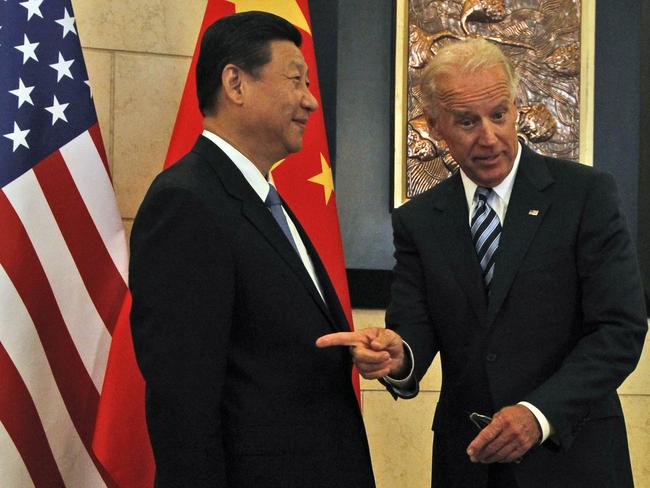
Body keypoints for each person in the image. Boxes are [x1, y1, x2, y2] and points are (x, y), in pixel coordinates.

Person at [317, 38, 647, 488]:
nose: (489, 137)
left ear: (515, 107)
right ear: (436, 127)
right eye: (467, 122)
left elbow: (620, 328)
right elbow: (413, 332)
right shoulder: (419, 220)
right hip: (469, 464)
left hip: (573, 459)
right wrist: (397, 358)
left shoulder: (585, 195)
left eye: (499, 114)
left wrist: (537, 414)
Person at [129, 11, 375, 487]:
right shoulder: (187, 201)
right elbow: (183, 399)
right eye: (295, 80)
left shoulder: (263, 201)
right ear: (236, 84)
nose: (311, 101)